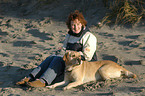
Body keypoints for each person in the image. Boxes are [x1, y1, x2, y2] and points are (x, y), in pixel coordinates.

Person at [16, 10, 97, 87]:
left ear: (82, 24)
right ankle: (30, 77)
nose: (76, 27)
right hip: (70, 62)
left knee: (58, 59)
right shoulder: (69, 35)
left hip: (83, 65)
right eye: (73, 25)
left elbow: (87, 56)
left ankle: (43, 81)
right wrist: (63, 53)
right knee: (52, 57)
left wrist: (69, 55)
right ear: (70, 25)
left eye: (78, 24)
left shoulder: (89, 36)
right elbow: (64, 48)